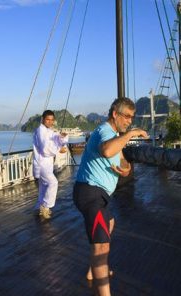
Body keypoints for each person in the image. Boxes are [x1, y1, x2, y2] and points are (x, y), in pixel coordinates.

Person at [73, 98, 148, 296]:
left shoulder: (115, 136)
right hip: (90, 192)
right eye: (127, 117)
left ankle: (93, 269)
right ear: (115, 114)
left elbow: (122, 160)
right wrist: (132, 134)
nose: (129, 121)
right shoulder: (104, 131)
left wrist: (125, 170)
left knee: (110, 222)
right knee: (102, 246)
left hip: (100, 195)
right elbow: (106, 150)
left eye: (132, 118)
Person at [33, 110, 68, 219]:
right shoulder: (40, 131)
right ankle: (46, 207)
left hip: (47, 164)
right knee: (53, 183)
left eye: (52, 120)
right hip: (42, 164)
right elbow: (44, 148)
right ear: (43, 119)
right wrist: (58, 149)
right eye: (48, 119)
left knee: (44, 186)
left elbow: (56, 138)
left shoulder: (49, 131)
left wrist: (62, 137)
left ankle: (40, 206)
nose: (50, 122)